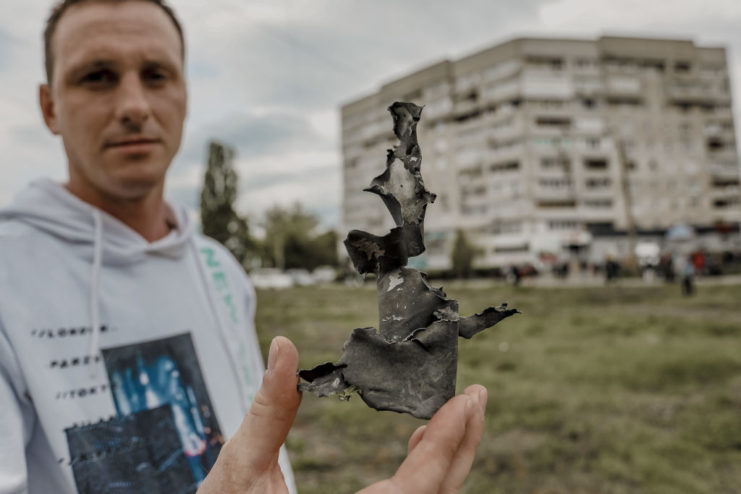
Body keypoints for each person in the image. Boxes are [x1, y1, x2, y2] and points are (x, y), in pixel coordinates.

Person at [0, 1, 488, 493]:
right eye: (97, 76)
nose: (134, 105)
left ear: (185, 95)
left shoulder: (219, 269)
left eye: (156, 74)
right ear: (49, 107)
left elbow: (254, 452)